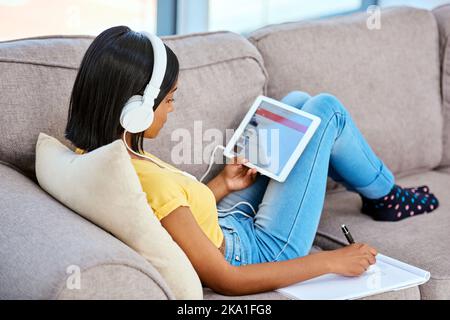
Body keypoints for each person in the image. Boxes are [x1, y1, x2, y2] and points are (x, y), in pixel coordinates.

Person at [66, 26, 439, 296]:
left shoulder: (100, 154)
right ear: (135, 110)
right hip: (259, 250)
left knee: (294, 105)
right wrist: (332, 261)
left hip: (223, 223)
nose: (172, 109)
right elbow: (228, 280)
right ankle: (387, 196)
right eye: (169, 100)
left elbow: (174, 217)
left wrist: (224, 183)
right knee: (326, 110)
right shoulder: (148, 181)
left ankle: (376, 189)